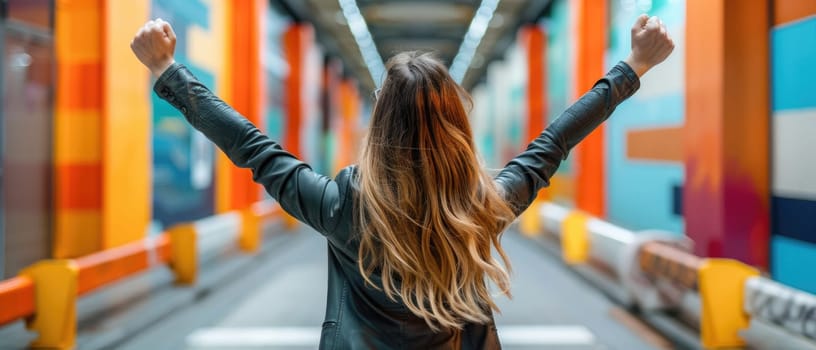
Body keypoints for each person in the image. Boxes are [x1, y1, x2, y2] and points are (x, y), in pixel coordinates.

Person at [131, 13, 673, 350]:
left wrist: (167, 71)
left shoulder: (342, 206)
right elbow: (553, 142)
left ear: (380, 117)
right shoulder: (484, 205)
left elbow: (253, 148)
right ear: (457, 124)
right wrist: (632, 66)